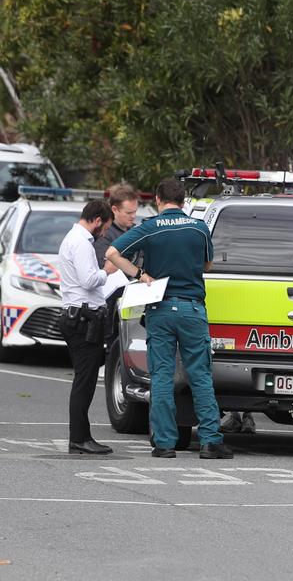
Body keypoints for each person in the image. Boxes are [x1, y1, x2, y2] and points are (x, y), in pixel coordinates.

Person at [105, 178, 232, 460]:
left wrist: (140, 275)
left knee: (161, 376)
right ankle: (211, 442)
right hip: (191, 309)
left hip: (160, 309)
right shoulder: (198, 229)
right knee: (199, 374)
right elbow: (207, 263)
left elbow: (112, 253)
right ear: (184, 201)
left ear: (159, 201)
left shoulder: (149, 228)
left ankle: (164, 443)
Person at [56, 199, 120, 455]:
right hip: (83, 320)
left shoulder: (74, 239)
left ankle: (81, 436)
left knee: (85, 379)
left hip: (79, 317)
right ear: (96, 220)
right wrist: (108, 271)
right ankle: (79, 438)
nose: (104, 233)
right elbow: (89, 279)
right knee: (85, 380)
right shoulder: (80, 243)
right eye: (104, 227)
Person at [93, 183, 140, 359]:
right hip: (109, 302)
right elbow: (105, 264)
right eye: (129, 213)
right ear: (114, 209)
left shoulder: (133, 231)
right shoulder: (105, 235)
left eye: (135, 212)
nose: (133, 216)